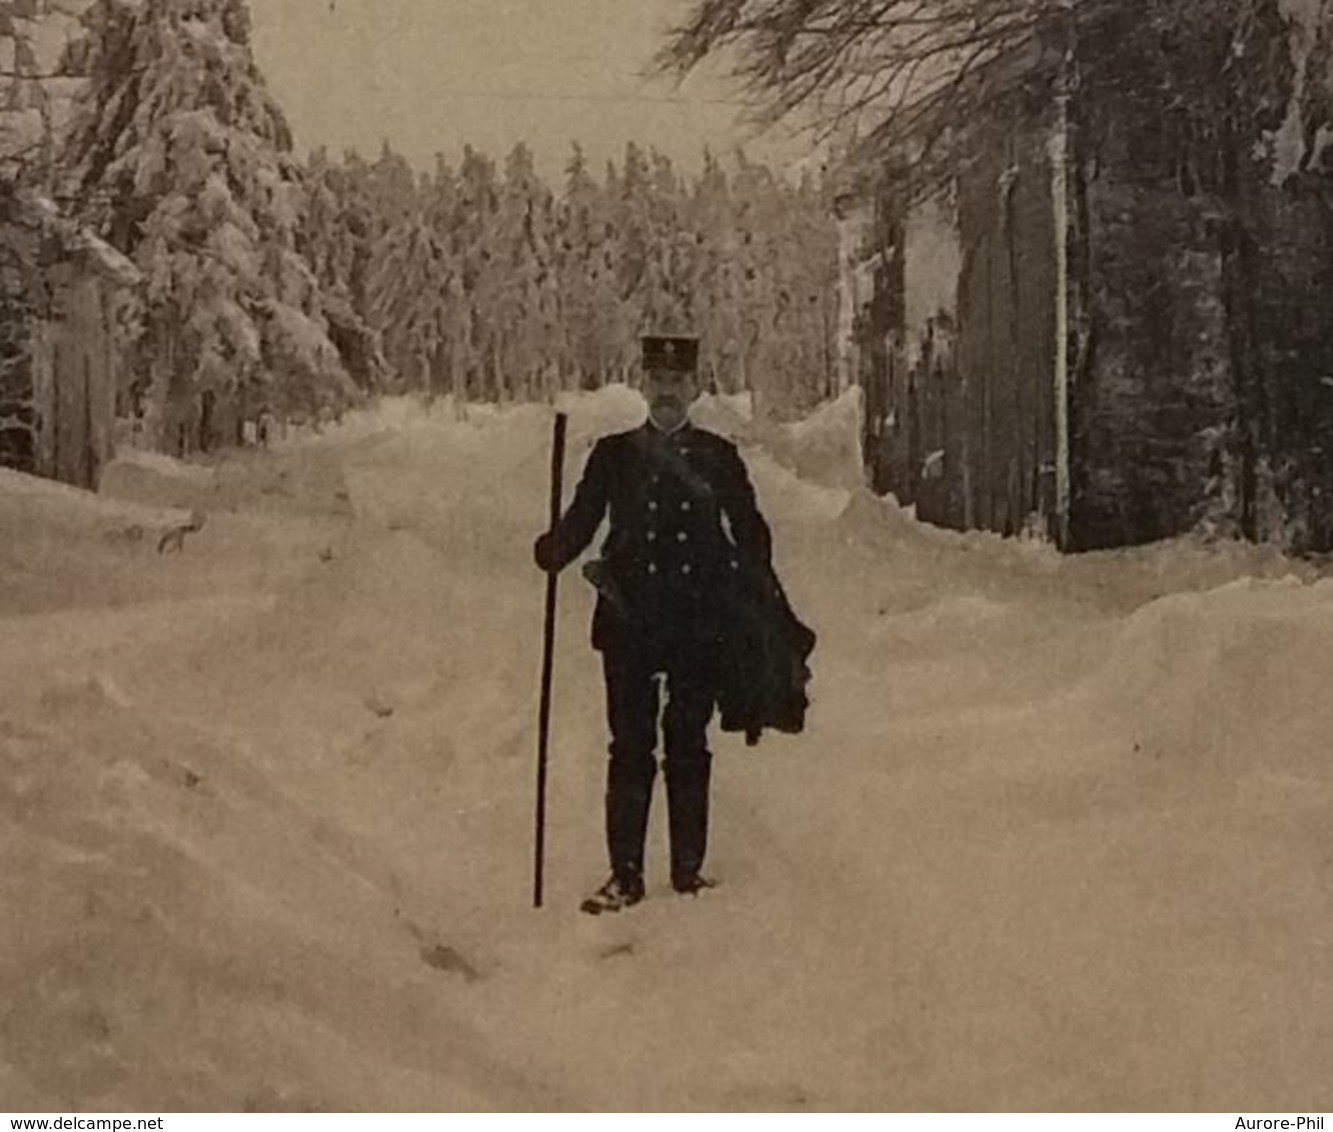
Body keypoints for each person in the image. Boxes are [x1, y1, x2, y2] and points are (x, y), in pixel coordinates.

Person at [534, 335, 776, 914]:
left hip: (697, 625)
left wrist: (741, 589)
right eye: (658, 381)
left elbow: (752, 534)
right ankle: (626, 875)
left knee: (688, 743)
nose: (668, 392)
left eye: (678, 382)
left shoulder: (719, 457)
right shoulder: (613, 455)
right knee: (630, 747)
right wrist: (553, 549)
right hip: (629, 622)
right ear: (643, 385)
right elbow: (582, 521)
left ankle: (687, 871)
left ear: (695, 388)